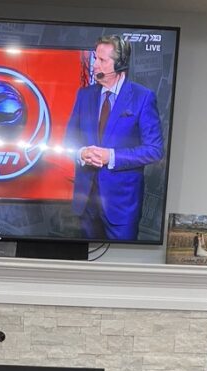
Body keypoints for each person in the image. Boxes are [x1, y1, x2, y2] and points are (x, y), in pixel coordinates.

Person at [65, 35, 164, 241]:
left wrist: (111, 156)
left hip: (121, 206)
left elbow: (154, 149)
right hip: (86, 204)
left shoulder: (143, 97)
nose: (95, 65)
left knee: (120, 267)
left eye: (102, 60)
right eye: (95, 59)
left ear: (120, 64)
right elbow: (69, 140)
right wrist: (81, 153)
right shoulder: (85, 95)